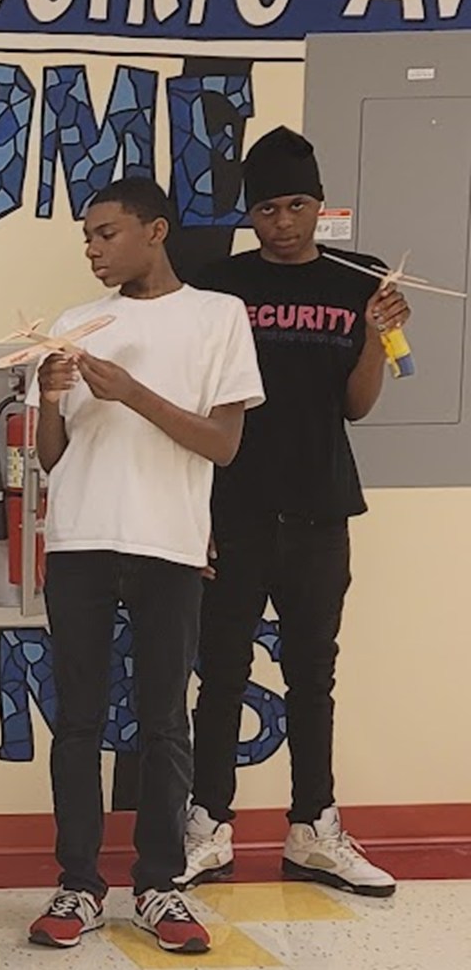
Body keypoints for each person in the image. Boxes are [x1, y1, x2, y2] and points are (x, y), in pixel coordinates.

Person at [26, 177, 264, 956]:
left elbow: (224, 444)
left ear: (155, 230)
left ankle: (160, 883)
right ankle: (78, 882)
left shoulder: (217, 317)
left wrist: (129, 390)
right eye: (86, 239)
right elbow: (52, 459)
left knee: (165, 720)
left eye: (105, 233)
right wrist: (51, 400)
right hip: (79, 541)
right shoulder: (72, 324)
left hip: (168, 542)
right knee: (79, 720)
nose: (93, 249)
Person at [183, 127, 406, 898]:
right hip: (234, 506)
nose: (284, 222)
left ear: (320, 206)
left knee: (313, 676)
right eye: (269, 209)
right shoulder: (216, 285)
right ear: (251, 214)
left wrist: (376, 337)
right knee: (220, 676)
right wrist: (195, 513)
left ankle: (314, 828)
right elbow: (196, 404)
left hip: (320, 507)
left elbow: (358, 405)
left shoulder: (360, 281)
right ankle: (208, 827)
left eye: (298, 206)